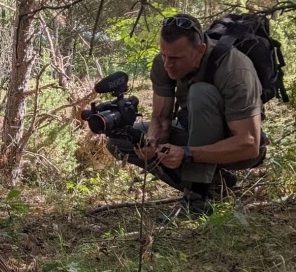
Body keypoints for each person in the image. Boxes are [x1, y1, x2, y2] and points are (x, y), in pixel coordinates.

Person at [107, 13, 265, 222]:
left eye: (175, 58)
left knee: (201, 92)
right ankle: (216, 186)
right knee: (121, 140)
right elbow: (162, 119)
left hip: (238, 147)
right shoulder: (164, 63)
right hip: (193, 131)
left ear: (199, 51)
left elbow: (249, 145)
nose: (167, 64)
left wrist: (187, 153)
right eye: (163, 55)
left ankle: (196, 198)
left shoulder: (234, 68)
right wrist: (151, 144)